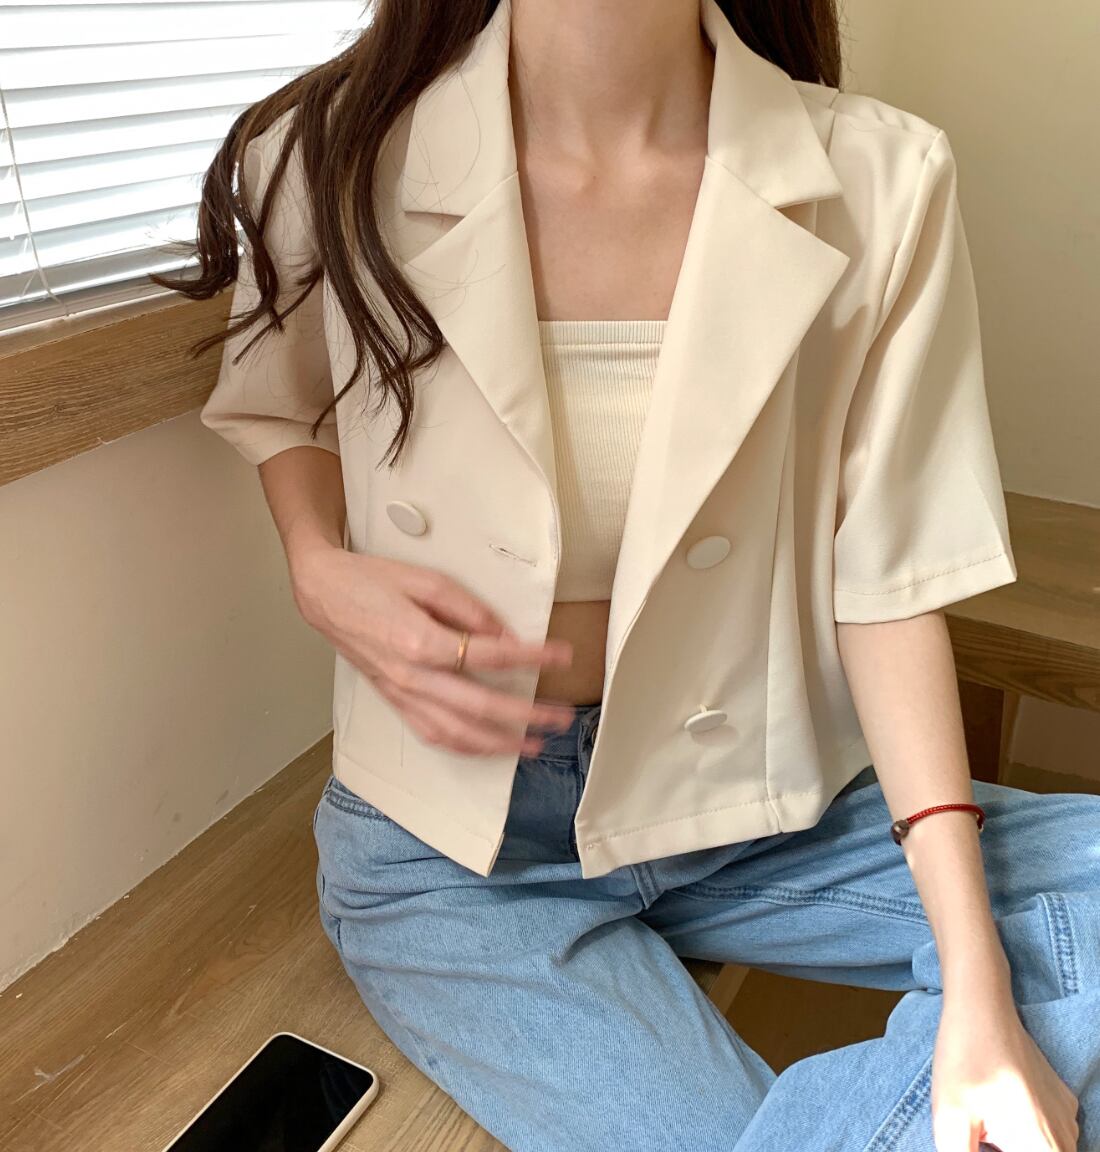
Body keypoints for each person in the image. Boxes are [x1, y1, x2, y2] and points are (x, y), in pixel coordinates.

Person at [166, 0, 1100, 1147]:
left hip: (753, 801)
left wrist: (975, 988)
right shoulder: (328, 154)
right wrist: (317, 566)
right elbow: (279, 406)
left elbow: (885, 579)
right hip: (453, 845)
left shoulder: (879, 174)